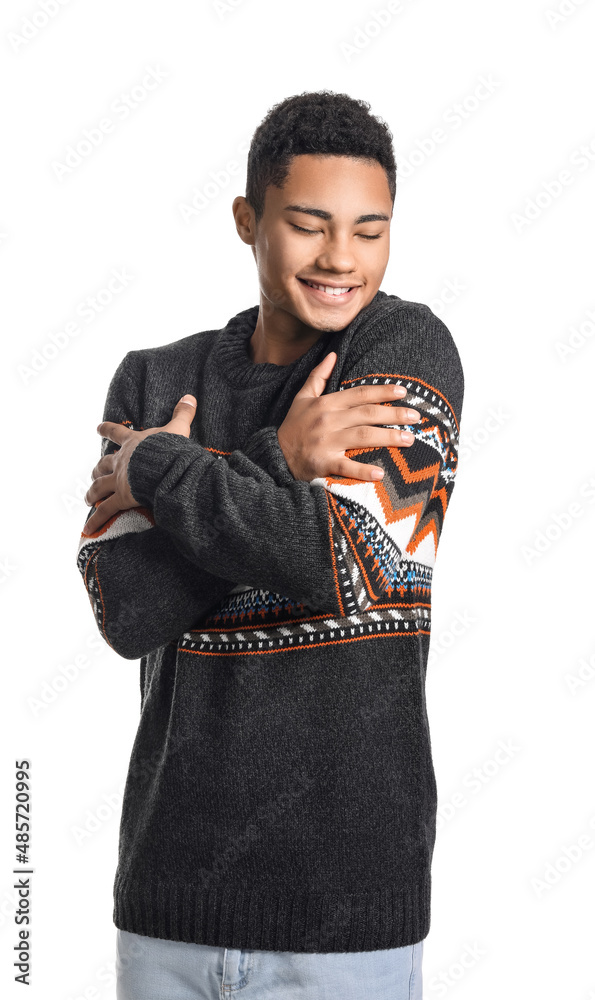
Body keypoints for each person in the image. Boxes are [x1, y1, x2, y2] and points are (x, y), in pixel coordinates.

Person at [76, 90, 464, 1000]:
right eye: (308, 224)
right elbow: (126, 609)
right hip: (166, 899)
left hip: (345, 908)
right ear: (249, 220)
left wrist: (169, 472)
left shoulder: (404, 348)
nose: (341, 258)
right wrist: (283, 456)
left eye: (370, 231)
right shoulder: (155, 376)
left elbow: (346, 562)